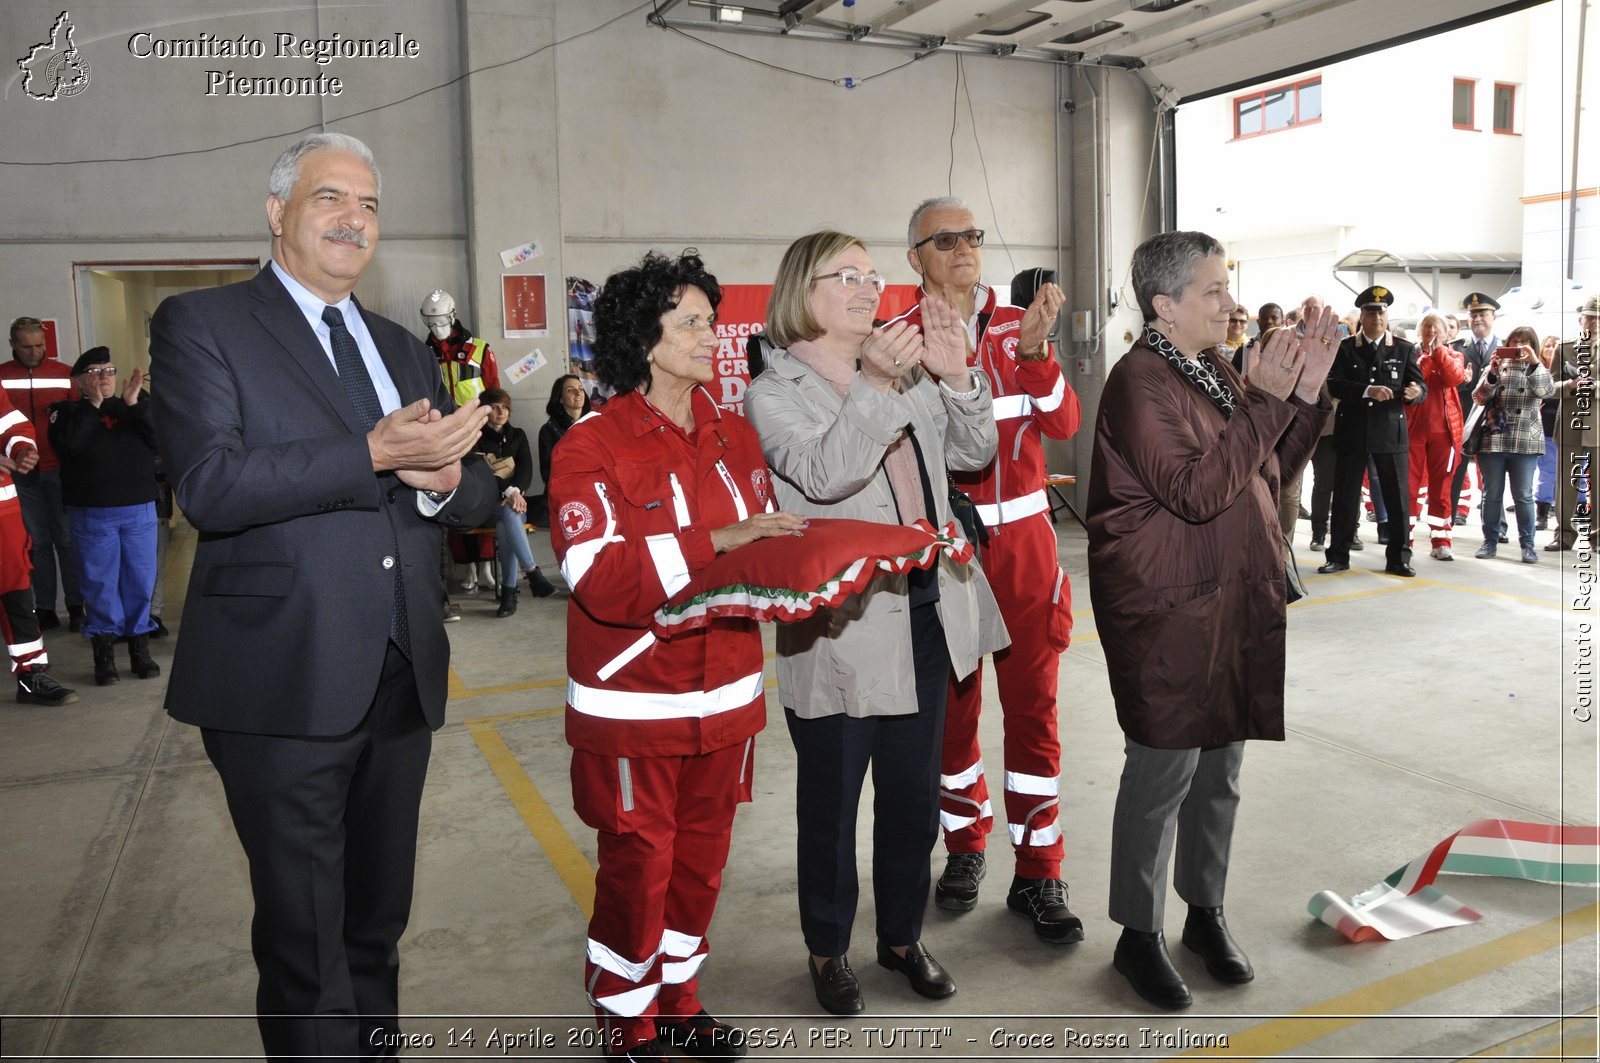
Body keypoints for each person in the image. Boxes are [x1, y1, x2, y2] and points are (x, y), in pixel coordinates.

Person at [149, 132, 498, 1060]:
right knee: (306, 946)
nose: (355, 219)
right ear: (277, 213)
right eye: (330, 198)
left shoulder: (399, 348)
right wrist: (378, 454)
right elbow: (211, 485)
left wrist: (439, 477)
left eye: (372, 204)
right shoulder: (203, 325)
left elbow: (468, 493)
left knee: (376, 925)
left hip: (400, 674)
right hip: (282, 678)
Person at [548, 250, 805, 1063]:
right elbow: (598, 577)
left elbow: (760, 550)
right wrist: (714, 541)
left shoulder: (734, 434)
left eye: (710, 318)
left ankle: (680, 999)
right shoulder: (590, 444)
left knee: (700, 866)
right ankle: (626, 1022)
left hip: (727, 700)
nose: (710, 334)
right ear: (646, 340)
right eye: (691, 320)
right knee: (637, 871)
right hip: (635, 711)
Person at [745, 229, 1005, 1016]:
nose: (866, 287)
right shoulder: (776, 389)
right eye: (845, 275)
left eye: (870, 274)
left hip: (926, 610)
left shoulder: (899, 366)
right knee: (831, 806)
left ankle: (900, 937)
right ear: (803, 291)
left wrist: (957, 376)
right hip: (841, 628)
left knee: (913, 797)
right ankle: (828, 949)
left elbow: (975, 447)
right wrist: (875, 386)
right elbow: (825, 474)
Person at [1087, 230, 1334, 1011]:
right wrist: (1265, 399)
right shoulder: (1139, 383)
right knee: (1163, 773)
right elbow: (1195, 491)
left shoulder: (1214, 370)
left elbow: (1267, 473)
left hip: (1231, 598)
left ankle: (1204, 912)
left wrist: (1304, 395)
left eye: (1228, 288)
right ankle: (1137, 933)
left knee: (1220, 772)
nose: (1230, 304)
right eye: (1214, 292)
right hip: (1169, 611)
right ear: (1165, 305)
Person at [888, 199, 1083, 943]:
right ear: (917, 258)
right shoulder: (894, 341)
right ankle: (965, 846)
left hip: (1027, 544)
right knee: (953, 717)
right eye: (946, 238)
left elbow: (1064, 423)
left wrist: (1038, 357)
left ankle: (1039, 870)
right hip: (948, 552)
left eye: (972, 235)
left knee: (1035, 712)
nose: (965, 247)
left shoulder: (1017, 328)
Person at [48, 347, 161, 686]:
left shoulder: (135, 402)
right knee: (100, 586)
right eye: (96, 372)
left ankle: (140, 650)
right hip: (93, 515)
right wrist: (93, 408)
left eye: (109, 370)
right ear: (80, 381)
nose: (104, 378)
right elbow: (69, 448)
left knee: (140, 582)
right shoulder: (65, 411)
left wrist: (134, 405)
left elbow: (160, 441)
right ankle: (104, 656)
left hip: (138, 511)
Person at [1317, 286, 1426, 577]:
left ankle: (1399, 558)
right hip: (1353, 430)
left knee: (1397, 498)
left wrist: (1416, 392)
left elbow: (1418, 385)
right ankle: (1338, 555)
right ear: (1361, 316)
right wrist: (1367, 390)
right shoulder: (1346, 347)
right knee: (1345, 497)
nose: (1376, 316)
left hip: (1390, 433)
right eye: (1370, 311)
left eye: (1381, 311)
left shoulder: (1403, 349)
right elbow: (1334, 384)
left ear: (1387, 315)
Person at [2, 317, 83, 631]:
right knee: (36, 543)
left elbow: (79, 423)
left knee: (66, 540)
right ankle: (45, 608)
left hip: (60, 470)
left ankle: (76, 607)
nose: (35, 352)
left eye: (40, 346)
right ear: (13, 345)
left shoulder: (65, 375)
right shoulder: (1, 377)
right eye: (27, 346)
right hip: (22, 475)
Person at [0, 384, 78, 705]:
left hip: (3, 510)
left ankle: (30, 676)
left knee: (17, 589)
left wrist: (21, 449)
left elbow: (11, 424)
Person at [1471, 325, 1555, 563]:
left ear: (1532, 346)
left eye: (1524, 342)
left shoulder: (1538, 368)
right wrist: (1493, 374)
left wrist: (1535, 362)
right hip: (1494, 438)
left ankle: (1528, 546)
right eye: (1514, 341)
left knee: (1524, 495)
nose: (1518, 347)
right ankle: (1490, 541)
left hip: (1525, 440)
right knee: (1492, 494)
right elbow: (1478, 397)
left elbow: (1546, 391)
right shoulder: (1495, 365)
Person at [474, 386, 554, 617]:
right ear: (485, 410)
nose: (502, 411)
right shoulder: (475, 437)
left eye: (506, 407)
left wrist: (515, 491)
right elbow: (480, 474)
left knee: (508, 521)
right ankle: (529, 574)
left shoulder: (517, 435)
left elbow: (526, 470)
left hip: (514, 505)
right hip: (484, 505)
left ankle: (510, 595)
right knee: (510, 519)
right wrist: (509, 491)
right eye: (496, 407)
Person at [1405, 313, 1467, 560]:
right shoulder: (1411, 354)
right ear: (1419, 331)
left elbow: (1454, 378)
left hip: (1445, 433)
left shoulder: (1455, 355)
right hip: (1413, 432)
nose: (1431, 331)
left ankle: (1441, 540)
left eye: (1436, 327)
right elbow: (1416, 377)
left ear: (1447, 332)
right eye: (1427, 327)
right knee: (1409, 486)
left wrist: (1438, 352)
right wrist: (1428, 356)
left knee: (1441, 489)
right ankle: (1404, 538)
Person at [1547, 295, 1600, 551]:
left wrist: (1595, 387)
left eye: (1598, 318)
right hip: (1570, 424)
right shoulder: (1564, 347)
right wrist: (1569, 385)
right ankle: (1564, 534)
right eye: (1590, 317)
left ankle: (1597, 536)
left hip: (1598, 426)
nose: (1594, 322)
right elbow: (1548, 386)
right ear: (1581, 319)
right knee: (1567, 484)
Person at [1451, 293, 1502, 525]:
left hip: (1494, 421)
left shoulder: (1505, 348)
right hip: (1462, 418)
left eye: (1482, 314)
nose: (1477, 318)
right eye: (1473, 315)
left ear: (1494, 316)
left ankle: (1496, 528)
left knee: (1494, 478)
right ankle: (1446, 522)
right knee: (1454, 473)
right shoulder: (1456, 348)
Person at [537, 372, 590, 526]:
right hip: (567, 498)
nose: (578, 393)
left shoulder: (595, 425)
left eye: (581, 388)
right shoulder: (548, 430)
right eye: (570, 390)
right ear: (560, 398)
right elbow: (548, 472)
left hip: (594, 492)